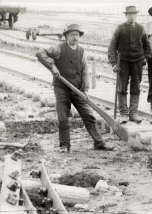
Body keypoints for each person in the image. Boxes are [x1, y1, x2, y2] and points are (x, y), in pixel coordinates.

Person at [37, 24, 114, 152]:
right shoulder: (58, 49)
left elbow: (84, 70)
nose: (75, 37)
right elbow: (40, 53)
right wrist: (52, 67)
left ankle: (99, 143)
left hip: (77, 90)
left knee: (89, 116)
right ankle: (64, 145)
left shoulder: (81, 51)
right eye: (72, 35)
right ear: (66, 36)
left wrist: (85, 90)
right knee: (63, 118)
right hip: (62, 88)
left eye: (77, 35)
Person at [107, 6, 151, 123]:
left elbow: (147, 46)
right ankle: (123, 114)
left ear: (136, 15)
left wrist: (145, 58)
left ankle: (133, 113)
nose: (132, 16)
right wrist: (113, 63)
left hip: (137, 62)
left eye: (134, 14)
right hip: (123, 63)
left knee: (136, 88)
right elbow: (112, 47)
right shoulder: (120, 28)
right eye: (129, 14)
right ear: (126, 15)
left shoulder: (141, 28)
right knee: (122, 88)